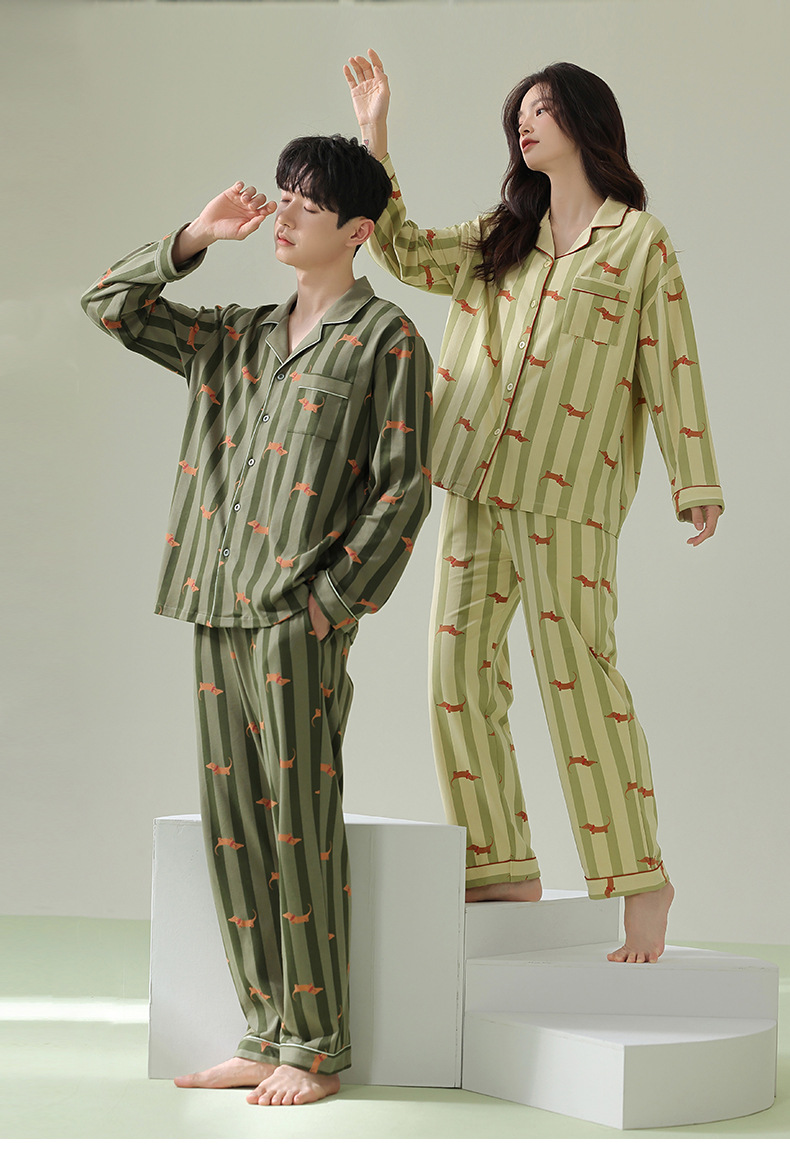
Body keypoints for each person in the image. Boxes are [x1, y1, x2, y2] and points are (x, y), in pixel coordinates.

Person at [345, 51, 723, 964]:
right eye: (520, 110)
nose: (526, 120)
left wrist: (694, 479)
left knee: (578, 680)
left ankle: (640, 877)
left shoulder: (639, 243)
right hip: (473, 475)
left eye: (543, 107)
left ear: (586, 123)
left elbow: (671, 360)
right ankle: (498, 866)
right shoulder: (500, 235)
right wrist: (375, 137)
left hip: (570, 492)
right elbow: (401, 251)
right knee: (454, 671)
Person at [82, 134, 432, 1104]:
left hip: (294, 620)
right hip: (213, 602)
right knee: (232, 826)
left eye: (306, 205)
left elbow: (403, 487)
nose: (283, 214)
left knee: (298, 825)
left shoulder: (387, 339)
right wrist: (195, 237)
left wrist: (331, 603)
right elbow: (110, 305)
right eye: (282, 196)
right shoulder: (232, 336)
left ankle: (313, 1046)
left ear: (356, 232)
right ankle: (262, 1028)